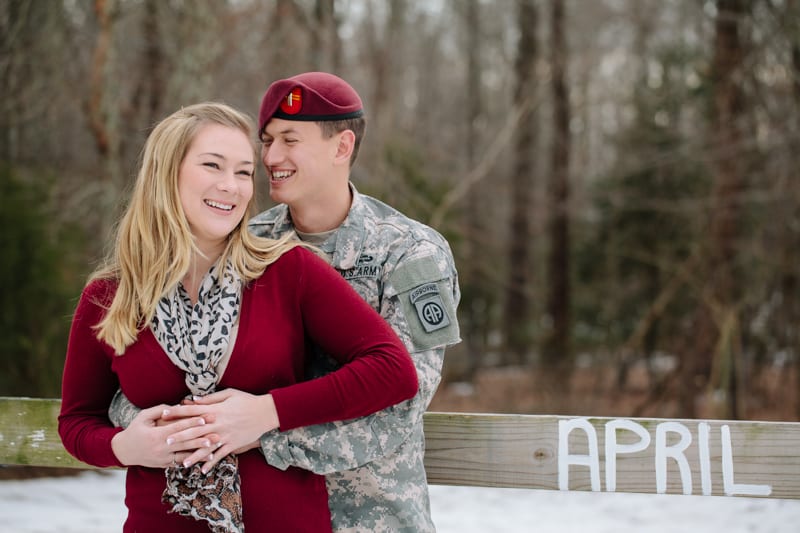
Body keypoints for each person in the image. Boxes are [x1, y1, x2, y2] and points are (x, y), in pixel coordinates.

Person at [112, 72, 462, 531]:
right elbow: (164, 366)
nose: (271, 157)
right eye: (268, 140)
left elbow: (400, 404)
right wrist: (162, 428)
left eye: (290, 140)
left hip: (371, 518)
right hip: (261, 516)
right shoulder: (245, 242)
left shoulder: (410, 253)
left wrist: (259, 430)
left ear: (341, 147)